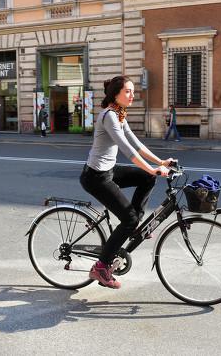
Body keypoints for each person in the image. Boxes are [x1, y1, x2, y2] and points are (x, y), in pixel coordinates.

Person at [79, 76, 174, 289]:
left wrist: (160, 162)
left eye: (133, 91)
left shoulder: (120, 114)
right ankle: (101, 267)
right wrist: (152, 168)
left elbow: (136, 143)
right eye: (128, 91)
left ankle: (134, 227)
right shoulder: (109, 116)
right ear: (116, 94)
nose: (132, 95)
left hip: (108, 172)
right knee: (129, 219)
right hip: (95, 178)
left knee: (147, 178)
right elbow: (126, 149)